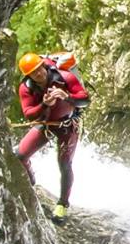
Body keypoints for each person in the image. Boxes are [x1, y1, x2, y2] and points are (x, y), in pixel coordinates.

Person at [14, 51, 89, 222]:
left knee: (64, 164)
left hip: (67, 125)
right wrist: (44, 104)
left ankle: (62, 204)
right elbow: (29, 114)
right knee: (20, 155)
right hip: (46, 124)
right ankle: (31, 183)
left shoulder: (64, 77)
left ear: (44, 65)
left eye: (40, 68)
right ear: (29, 75)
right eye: (34, 72)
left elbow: (85, 99)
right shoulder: (26, 88)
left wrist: (67, 97)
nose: (39, 73)